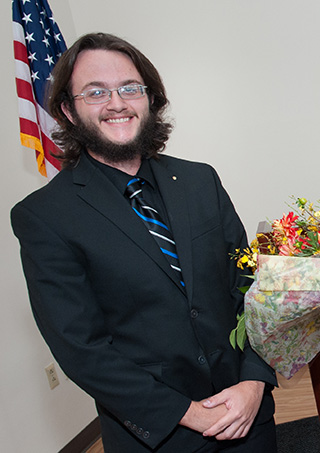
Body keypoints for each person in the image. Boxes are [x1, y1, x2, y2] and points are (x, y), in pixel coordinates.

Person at [11, 33, 277, 452]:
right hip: (159, 434)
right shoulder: (44, 216)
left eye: (129, 88)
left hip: (247, 415)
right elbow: (81, 347)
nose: (116, 103)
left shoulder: (199, 180)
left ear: (149, 98)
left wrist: (254, 380)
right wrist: (187, 412)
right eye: (96, 92)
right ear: (68, 109)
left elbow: (253, 290)